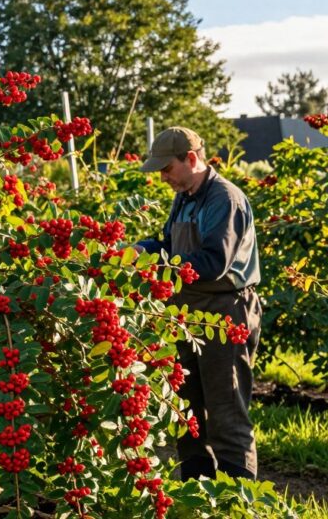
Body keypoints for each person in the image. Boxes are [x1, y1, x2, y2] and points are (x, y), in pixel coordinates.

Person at [133, 126, 261, 480]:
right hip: (186, 312)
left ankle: (238, 497)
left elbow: (212, 262)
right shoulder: (185, 197)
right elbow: (172, 245)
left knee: (225, 407)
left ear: (190, 159)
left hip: (225, 311)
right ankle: (197, 487)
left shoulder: (225, 199)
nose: (163, 177)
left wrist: (155, 264)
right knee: (185, 404)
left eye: (166, 168)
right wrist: (143, 249)